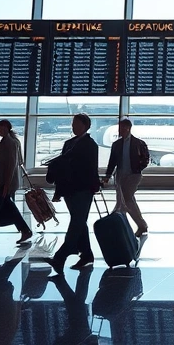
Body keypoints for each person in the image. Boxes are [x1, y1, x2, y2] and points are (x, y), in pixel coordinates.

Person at [46, 113, 100, 273]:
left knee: (77, 221)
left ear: (85, 126)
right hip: (69, 189)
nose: (73, 126)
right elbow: (62, 169)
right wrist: (59, 190)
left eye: (76, 124)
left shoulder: (90, 145)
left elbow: (91, 170)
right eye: (73, 124)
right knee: (79, 221)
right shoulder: (69, 143)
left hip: (83, 189)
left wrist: (94, 186)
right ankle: (87, 254)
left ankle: (61, 255)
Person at [103, 117, 151, 236]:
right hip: (120, 175)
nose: (120, 130)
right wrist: (108, 175)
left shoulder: (139, 143)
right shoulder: (116, 144)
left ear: (128, 128)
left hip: (133, 175)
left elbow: (146, 158)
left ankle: (141, 225)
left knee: (126, 199)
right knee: (123, 200)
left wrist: (138, 168)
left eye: (122, 128)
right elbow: (112, 161)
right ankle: (118, 223)